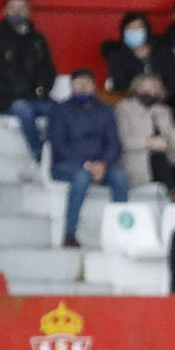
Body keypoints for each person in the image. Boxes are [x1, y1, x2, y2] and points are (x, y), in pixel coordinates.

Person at [48, 69, 129, 248]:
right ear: (71, 86)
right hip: (67, 165)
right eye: (78, 83)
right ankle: (70, 233)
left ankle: (122, 232)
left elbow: (114, 144)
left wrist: (103, 163)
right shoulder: (60, 110)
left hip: (101, 164)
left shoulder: (106, 111)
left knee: (120, 177)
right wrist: (87, 164)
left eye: (86, 83)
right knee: (81, 176)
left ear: (94, 86)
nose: (82, 87)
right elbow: (59, 146)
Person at [0, 0, 56, 162]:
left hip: (37, 97)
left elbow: (49, 70)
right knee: (23, 109)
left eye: (22, 7)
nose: (17, 12)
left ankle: (54, 150)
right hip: (8, 100)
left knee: (59, 110)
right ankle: (39, 154)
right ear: (5, 11)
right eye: (13, 8)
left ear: (29, 10)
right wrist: (6, 90)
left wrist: (43, 88)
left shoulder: (38, 39)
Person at [113, 73, 175, 192]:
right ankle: (173, 193)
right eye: (144, 87)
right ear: (136, 88)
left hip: (169, 160)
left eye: (153, 87)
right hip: (139, 161)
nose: (148, 90)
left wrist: (167, 135)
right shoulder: (124, 107)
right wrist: (150, 142)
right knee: (159, 163)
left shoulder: (164, 110)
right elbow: (122, 141)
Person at [101, 11, 175, 96]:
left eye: (138, 28)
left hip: (162, 100)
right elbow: (119, 83)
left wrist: (160, 94)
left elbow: (171, 79)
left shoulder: (162, 50)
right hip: (131, 100)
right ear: (123, 32)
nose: (134, 31)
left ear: (146, 30)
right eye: (130, 28)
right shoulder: (117, 55)